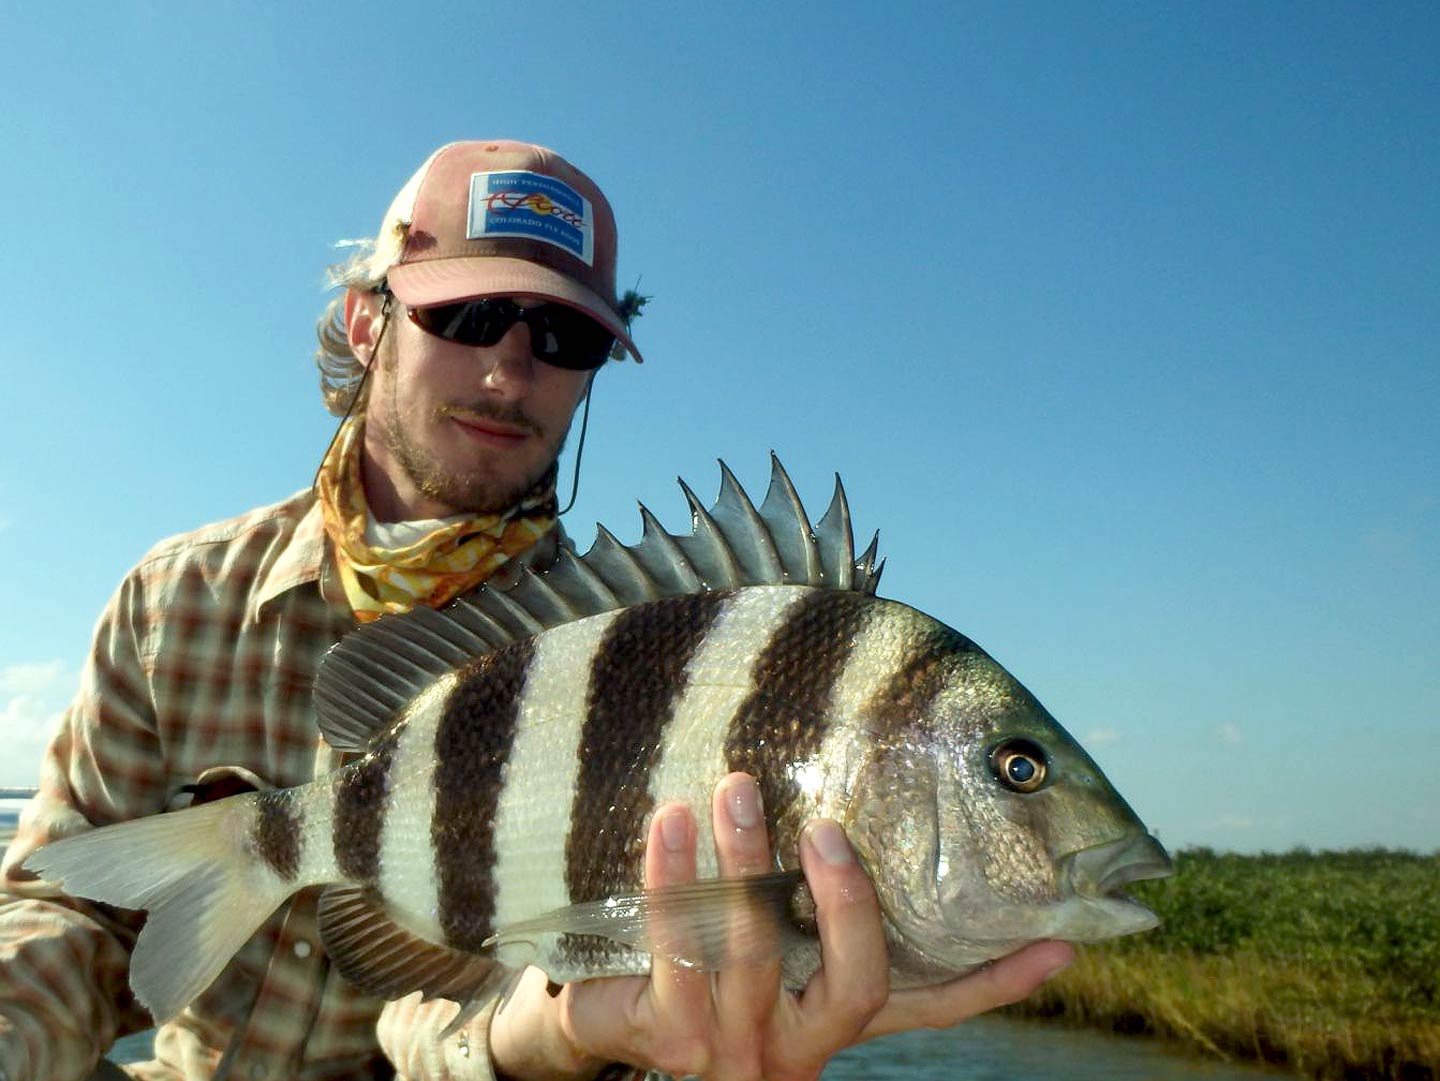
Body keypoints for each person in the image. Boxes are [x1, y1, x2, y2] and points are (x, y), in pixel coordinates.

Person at [0, 140, 1072, 1081]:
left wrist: (560, 1037)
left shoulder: (620, 647)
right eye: (466, 314)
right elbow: (65, 912)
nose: (512, 368)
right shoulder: (177, 596)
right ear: (367, 321)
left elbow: (471, 1005)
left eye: (565, 338)